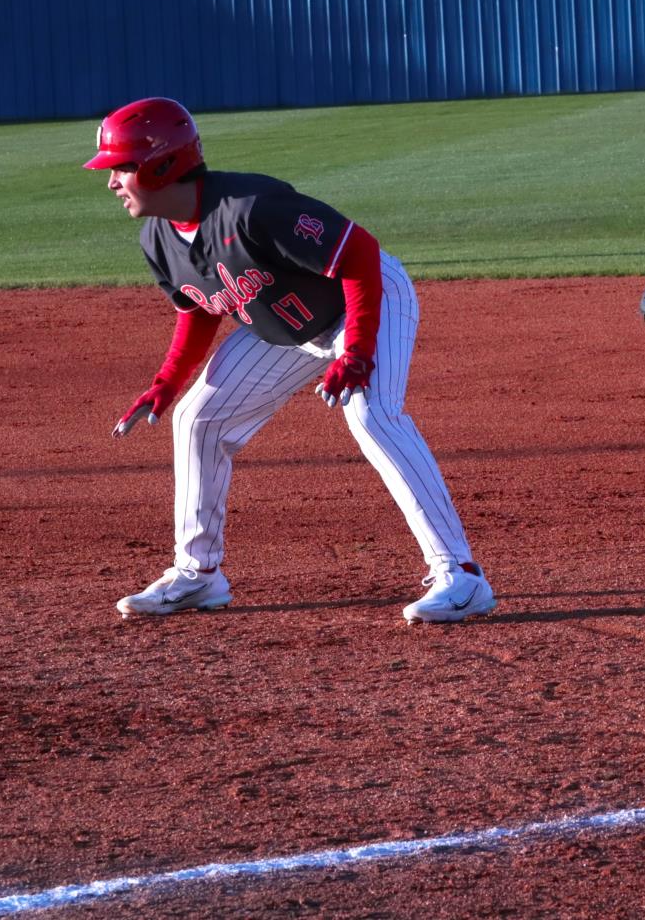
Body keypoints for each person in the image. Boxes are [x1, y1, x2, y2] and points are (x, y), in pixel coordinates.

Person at [84, 97, 495, 625]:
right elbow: (200, 306)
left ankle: (460, 577)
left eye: (120, 168)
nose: (112, 182)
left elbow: (360, 254)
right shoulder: (158, 238)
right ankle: (198, 575)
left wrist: (359, 351)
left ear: (160, 166)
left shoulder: (252, 207)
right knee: (196, 419)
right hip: (287, 329)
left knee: (372, 415)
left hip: (363, 300)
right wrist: (166, 383)